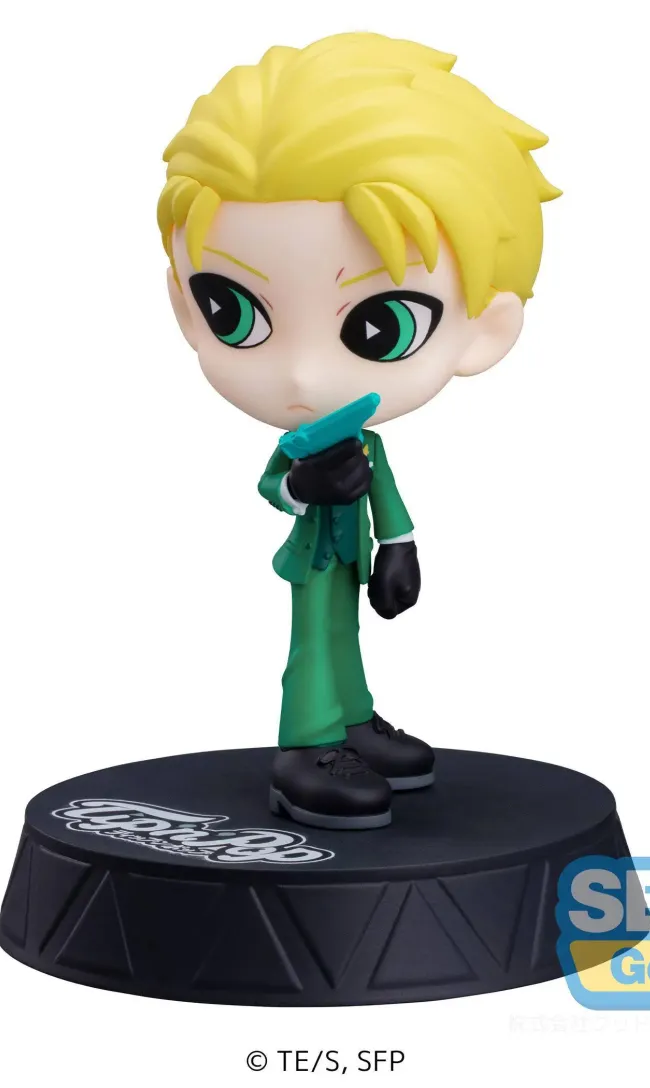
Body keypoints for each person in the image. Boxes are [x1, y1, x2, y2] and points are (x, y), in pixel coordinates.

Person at [158, 32, 558, 829]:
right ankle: (307, 742)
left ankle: (351, 721)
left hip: (353, 553)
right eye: (233, 311)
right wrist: (298, 485)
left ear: (486, 331)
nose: (303, 376)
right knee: (316, 637)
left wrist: (400, 547)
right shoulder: (308, 443)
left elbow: (387, 494)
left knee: (345, 635)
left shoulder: (361, 439)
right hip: (313, 556)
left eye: (380, 324)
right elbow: (275, 483)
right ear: (185, 308)